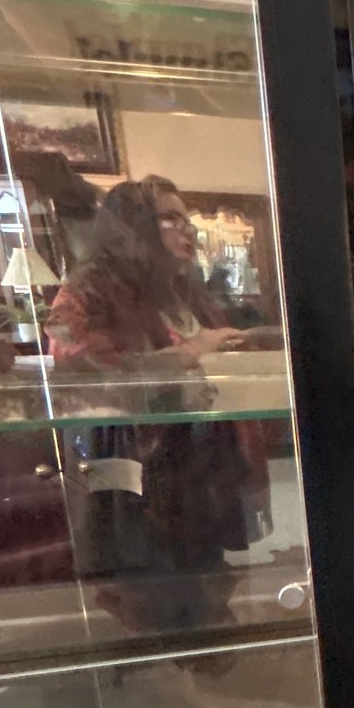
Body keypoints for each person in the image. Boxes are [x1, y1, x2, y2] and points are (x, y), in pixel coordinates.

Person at [47, 176, 273, 640]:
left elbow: (203, 358)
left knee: (202, 577)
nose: (187, 229)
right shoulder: (86, 290)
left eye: (188, 220)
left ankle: (201, 663)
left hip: (194, 461)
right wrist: (187, 354)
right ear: (133, 226)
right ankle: (160, 668)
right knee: (144, 582)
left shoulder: (181, 289)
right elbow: (81, 374)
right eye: (170, 218)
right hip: (126, 463)